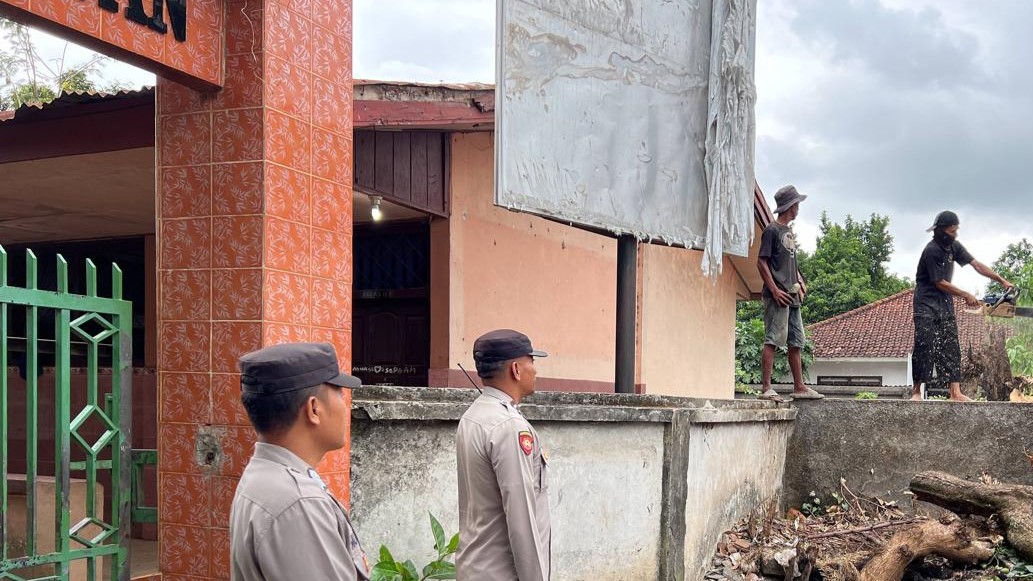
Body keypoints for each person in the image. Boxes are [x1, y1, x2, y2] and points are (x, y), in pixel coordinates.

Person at [230, 342, 369, 581]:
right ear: (314, 409)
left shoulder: (266, 476)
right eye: (339, 393)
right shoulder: (298, 503)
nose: (346, 405)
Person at [456, 329, 551, 581]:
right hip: (501, 572)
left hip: (476, 566)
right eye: (532, 361)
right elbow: (522, 519)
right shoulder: (508, 426)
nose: (536, 370)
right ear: (516, 369)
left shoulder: (474, 416)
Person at [911, 211, 1012, 401]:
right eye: (952, 230)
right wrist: (965, 294)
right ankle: (916, 392)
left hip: (944, 302)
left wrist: (1001, 280)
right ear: (940, 231)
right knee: (925, 345)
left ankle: (955, 392)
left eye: (956, 230)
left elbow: (976, 265)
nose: (955, 234)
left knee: (951, 346)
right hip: (925, 302)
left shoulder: (953, 247)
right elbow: (939, 282)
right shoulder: (931, 250)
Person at [757, 185, 824, 401]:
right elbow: (761, 262)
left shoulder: (789, 231)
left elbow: (790, 265)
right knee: (773, 339)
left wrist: (800, 281)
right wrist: (775, 290)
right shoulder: (772, 231)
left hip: (793, 296)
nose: (798, 208)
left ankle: (799, 386)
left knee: (796, 340)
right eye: (797, 205)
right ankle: (766, 388)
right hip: (778, 295)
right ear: (791, 206)